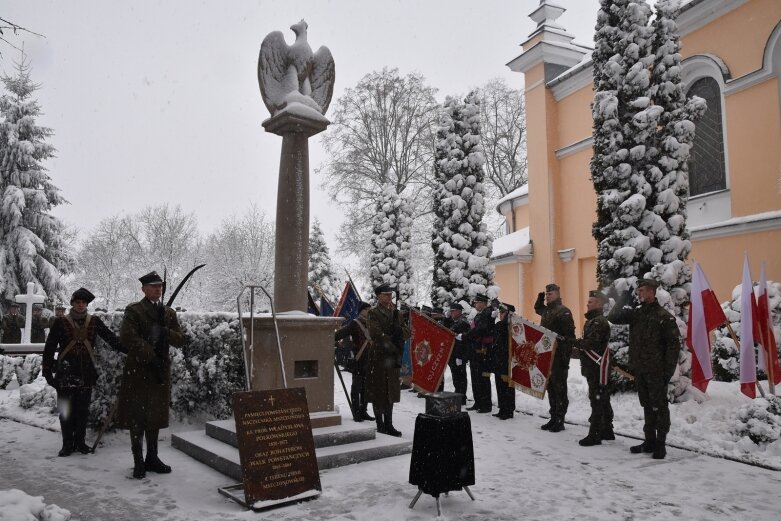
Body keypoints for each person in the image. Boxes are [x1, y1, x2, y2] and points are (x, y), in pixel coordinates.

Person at [116, 271, 185, 478]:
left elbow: (180, 339)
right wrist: (150, 355)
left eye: (160, 286)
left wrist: (166, 332)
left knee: (154, 414)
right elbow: (128, 337)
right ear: (143, 289)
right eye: (153, 286)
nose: (158, 289)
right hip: (139, 370)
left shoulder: (168, 313)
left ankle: (152, 458)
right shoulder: (134, 311)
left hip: (159, 372)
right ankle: (138, 460)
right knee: (137, 416)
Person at [42, 288, 125, 457]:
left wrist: (131, 350)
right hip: (65, 374)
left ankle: (80, 443)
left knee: (82, 411)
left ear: (87, 305)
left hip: (85, 374)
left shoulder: (94, 322)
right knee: (65, 411)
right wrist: (47, 372)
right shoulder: (60, 322)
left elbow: (111, 339)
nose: (80, 306)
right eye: (77, 302)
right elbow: (49, 348)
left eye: (83, 303)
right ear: (72, 304)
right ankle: (67, 445)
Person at [607, 278, 680, 459]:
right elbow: (613, 317)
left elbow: (673, 349)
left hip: (657, 371)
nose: (639, 293)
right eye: (638, 290)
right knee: (647, 406)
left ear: (652, 292)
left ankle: (660, 444)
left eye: (643, 290)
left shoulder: (664, 317)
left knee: (660, 407)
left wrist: (666, 374)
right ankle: (649, 441)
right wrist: (623, 299)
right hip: (641, 370)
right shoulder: (636, 314)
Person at [366, 283, 410, 437]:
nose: (389, 297)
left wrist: (399, 333)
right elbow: (375, 333)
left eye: (390, 295)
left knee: (390, 390)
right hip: (379, 356)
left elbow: (407, 331)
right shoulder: (373, 312)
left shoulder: (396, 313)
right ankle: (380, 424)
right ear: (378, 296)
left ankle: (389, 424)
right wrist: (391, 342)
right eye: (385, 295)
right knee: (379, 390)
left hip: (393, 357)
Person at [574, 290, 613, 446]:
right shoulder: (593, 320)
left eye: (591, 301)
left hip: (597, 367)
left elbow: (590, 344)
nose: (587, 304)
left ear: (598, 303)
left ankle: (595, 434)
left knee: (597, 400)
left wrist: (574, 342)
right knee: (602, 399)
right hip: (594, 367)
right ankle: (607, 430)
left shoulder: (598, 322)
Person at [535, 283, 575, 432]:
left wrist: (565, 358)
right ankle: (553, 417)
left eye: (550, 294)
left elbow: (569, 337)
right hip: (548, 357)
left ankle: (560, 419)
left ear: (558, 294)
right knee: (551, 388)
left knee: (559, 389)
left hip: (558, 357)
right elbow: (538, 309)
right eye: (546, 294)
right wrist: (539, 299)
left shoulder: (563, 311)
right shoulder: (547, 311)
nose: (547, 296)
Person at [335, 301, 374, 423]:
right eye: (367, 309)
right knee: (356, 387)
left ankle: (363, 411)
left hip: (370, 359)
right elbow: (340, 334)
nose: (369, 311)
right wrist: (329, 337)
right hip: (359, 359)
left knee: (366, 388)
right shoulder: (355, 323)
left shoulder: (372, 324)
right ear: (361, 310)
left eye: (369, 309)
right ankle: (356, 412)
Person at [464, 294, 494, 414]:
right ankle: (478, 402)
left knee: (483, 379)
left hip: (483, 351)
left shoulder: (488, 313)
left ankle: (486, 404)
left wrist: (466, 336)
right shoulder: (480, 314)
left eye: (477, 302)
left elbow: (480, 330)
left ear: (483, 303)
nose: (475, 305)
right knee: (476, 378)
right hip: (475, 351)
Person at [491, 303, 516, 420]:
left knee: (507, 386)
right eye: (500, 313)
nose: (500, 315)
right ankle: (502, 408)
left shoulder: (511, 325)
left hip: (506, 360)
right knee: (500, 385)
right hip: (498, 359)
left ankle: (508, 410)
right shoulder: (500, 324)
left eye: (502, 313)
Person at [443, 303, 471, 405]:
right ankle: (459, 394)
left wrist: (460, 357)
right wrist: (446, 319)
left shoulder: (462, 322)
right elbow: (447, 330)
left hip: (459, 354)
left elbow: (463, 342)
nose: (451, 313)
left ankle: (461, 397)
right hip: (454, 353)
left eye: (453, 311)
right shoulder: (456, 321)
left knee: (460, 377)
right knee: (456, 377)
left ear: (459, 311)